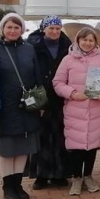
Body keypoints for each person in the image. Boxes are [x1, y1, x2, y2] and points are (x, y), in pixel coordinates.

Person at [53, 27, 100, 196]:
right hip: (75, 110)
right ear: (78, 41)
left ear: (95, 43)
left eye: (91, 40)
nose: (87, 43)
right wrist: (72, 93)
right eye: (84, 40)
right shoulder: (68, 60)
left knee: (92, 147)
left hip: (96, 111)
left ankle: (88, 175)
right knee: (76, 147)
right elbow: (58, 82)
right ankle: (76, 178)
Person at [0, 13, 41, 199]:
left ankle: (18, 184)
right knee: (8, 148)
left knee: (23, 147)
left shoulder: (29, 49)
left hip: (27, 105)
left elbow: (37, 76)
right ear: (2, 29)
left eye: (16, 28)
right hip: (5, 107)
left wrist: (39, 101)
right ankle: (7, 186)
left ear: (22, 30)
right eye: (9, 27)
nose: (12, 31)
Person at [26, 15, 72, 189]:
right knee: (42, 138)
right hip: (41, 97)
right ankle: (41, 175)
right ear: (43, 29)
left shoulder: (67, 47)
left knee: (61, 136)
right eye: (51, 28)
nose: (54, 32)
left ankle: (60, 173)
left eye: (58, 29)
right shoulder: (33, 47)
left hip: (61, 97)